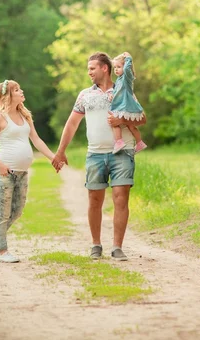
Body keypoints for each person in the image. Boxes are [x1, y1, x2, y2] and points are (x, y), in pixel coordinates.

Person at [52, 52, 146, 261]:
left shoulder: (125, 91)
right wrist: (60, 151)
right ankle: (96, 244)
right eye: (88, 69)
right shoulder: (85, 95)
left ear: (105, 68)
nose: (89, 72)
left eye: (92, 68)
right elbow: (72, 124)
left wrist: (120, 119)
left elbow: (141, 118)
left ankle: (117, 247)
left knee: (121, 198)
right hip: (95, 154)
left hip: (122, 152)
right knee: (94, 200)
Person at [0, 79, 57, 263]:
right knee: (3, 214)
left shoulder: (25, 115)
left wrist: (53, 157)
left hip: (22, 173)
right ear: (8, 95)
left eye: (20, 88)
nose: (21, 91)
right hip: (4, 174)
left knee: (17, 212)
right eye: (17, 89)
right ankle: (2, 251)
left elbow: (36, 140)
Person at [110, 52, 147, 154]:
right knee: (131, 126)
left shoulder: (127, 78)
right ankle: (139, 142)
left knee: (113, 122)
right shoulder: (119, 80)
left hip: (123, 106)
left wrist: (129, 58)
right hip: (125, 105)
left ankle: (119, 141)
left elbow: (126, 69)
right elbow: (118, 91)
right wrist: (113, 95)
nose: (116, 69)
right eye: (114, 67)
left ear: (126, 66)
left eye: (118, 67)